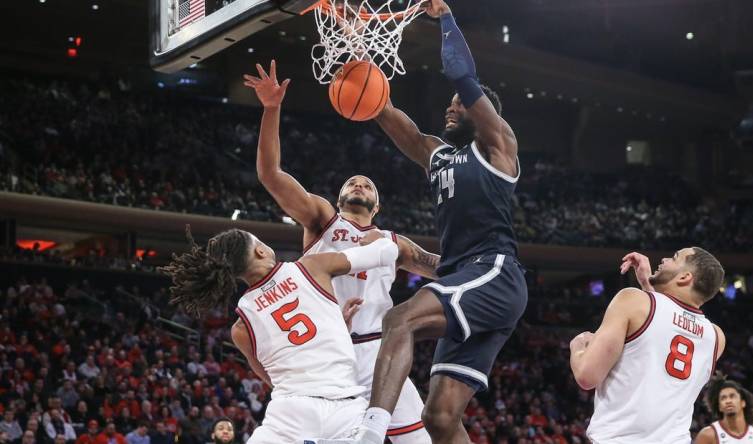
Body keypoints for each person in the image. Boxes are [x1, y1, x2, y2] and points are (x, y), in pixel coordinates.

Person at [322, 0, 528, 441]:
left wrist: (446, 18)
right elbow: (386, 113)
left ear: (482, 114)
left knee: (399, 319)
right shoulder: (438, 154)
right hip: (465, 276)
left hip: (494, 274)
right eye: (450, 105)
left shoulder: (497, 148)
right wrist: (357, 46)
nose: (450, 109)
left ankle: (371, 432)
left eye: (459, 106)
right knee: (439, 419)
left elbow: (461, 73)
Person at [243, 60, 440, 442]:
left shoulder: (394, 244)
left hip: (380, 355)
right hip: (328, 360)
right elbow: (271, 175)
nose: (360, 186)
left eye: (367, 186)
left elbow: (444, 270)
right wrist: (271, 109)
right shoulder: (321, 219)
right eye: (353, 183)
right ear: (339, 197)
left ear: (378, 206)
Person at [160, 227, 405, 443]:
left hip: (291, 414)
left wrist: (336, 324)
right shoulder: (312, 266)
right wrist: (378, 238)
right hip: (347, 408)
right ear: (260, 252)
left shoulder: (240, 329)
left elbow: (273, 375)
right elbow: (387, 253)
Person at [569, 248, 727, 443]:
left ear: (685, 277)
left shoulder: (632, 300)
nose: (665, 258)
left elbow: (587, 376)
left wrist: (577, 347)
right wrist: (647, 284)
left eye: (674, 257)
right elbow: (668, 325)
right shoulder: (716, 337)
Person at [695, 376, 753, 443]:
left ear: (743, 402)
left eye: (732, 396)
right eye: (723, 398)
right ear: (720, 407)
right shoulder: (708, 435)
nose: (728, 401)